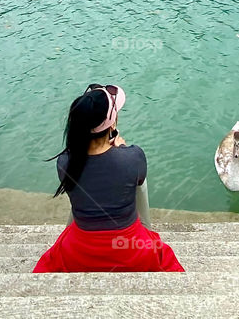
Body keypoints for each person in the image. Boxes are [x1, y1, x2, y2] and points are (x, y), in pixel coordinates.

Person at [33, 83, 184, 273]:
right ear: (112, 123)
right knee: (138, 181)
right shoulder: (133, 157)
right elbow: (126, 174)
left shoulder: (65, 162)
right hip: (128, 248)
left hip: (78, 251)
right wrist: (120, 149)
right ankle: (147, 228)